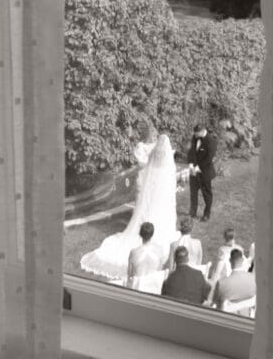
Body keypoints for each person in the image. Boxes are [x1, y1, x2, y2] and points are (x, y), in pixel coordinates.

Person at [80, 133, 179, 282]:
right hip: (162, 199)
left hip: (152, 196)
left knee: (147, 211)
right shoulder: (168, 168)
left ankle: (146, 231)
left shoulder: (152, 162)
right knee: (160, 214)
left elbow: (146, 169)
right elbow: (170, 189)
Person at [127, 222, 166, 294]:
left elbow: (130, 274)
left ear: (140, 234)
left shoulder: (133, 252)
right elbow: (160, 269)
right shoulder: (159, 250)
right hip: (153, 289)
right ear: (152, 234)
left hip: (138, 289)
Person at [188, 123, 217, 221]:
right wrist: (191, 165)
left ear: (202, 131)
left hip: (204, 173)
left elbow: (208, 159)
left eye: (196, 133)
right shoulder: (194, 137)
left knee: (206, 194)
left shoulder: (211, 141)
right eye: (195, 133)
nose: (195, 135)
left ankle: (206, 214)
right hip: (193, 171)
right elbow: (191, 151)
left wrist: (197, 168)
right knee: (193, 193)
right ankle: (192, 212)